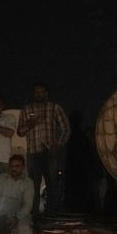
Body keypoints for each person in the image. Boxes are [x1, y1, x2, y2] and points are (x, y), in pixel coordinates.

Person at [16, 83, 70, 214]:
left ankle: (52, 213)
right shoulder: (26, 109)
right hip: (33, 152)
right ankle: (34, 214)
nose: (39, 94)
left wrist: (58, 144)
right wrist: (30, 124)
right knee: (33, 185)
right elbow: (20, 132)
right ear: (33, 94)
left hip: (49, 151)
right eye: (36, 92)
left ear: (46, 93)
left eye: (41, 92)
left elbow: (66, 128)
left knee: (52, 183)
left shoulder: (54, 108)